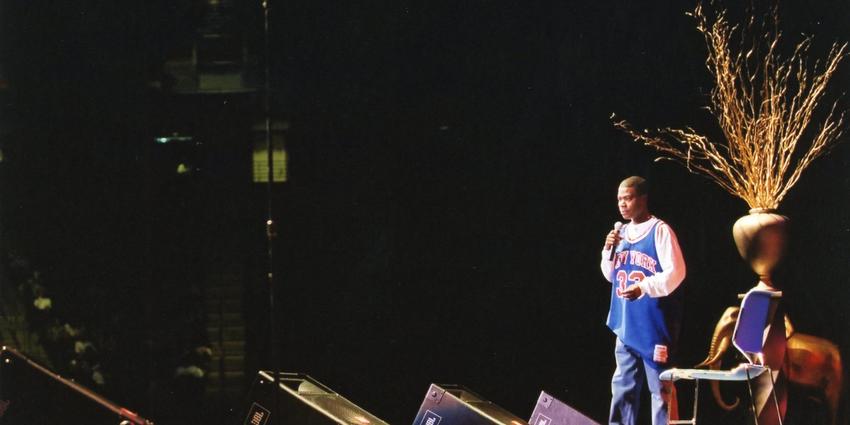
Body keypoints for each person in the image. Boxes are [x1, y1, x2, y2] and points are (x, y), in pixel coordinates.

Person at [600, 176, 686, 425]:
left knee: (661, 393)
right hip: (625, 324)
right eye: (619, 199)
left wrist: (644, 287)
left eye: (627, 198)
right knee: (622, 390)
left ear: (643, 199)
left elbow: (676, 273)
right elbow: (610, 276)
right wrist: (608, 251)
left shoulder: (660, 230)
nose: (622, 204)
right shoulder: (620, 232)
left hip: (652, 328)